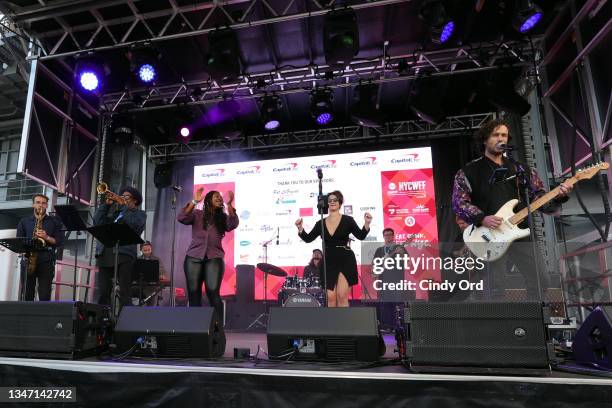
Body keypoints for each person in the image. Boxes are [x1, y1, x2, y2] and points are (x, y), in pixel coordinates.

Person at [452, 118, 572, 300]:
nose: (501, 139)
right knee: (494, 289)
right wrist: (482, 218)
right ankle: (497, 327)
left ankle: (534, 324)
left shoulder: (521, 169)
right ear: (485, 139)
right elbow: (459, 204)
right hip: (488, 236)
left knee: (541, 281)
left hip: (520, 232)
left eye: (504, 135)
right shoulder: (468, 172)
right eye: (496, 135)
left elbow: (540, 199)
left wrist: (560, 195)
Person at [296, 190, 371, 307]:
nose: (332, 202)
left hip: (345, 259)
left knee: (341, 296)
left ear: (340, 203)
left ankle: (343, 325)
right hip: (328, 261)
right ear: (327, 204)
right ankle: (333, 325)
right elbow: (308, 238)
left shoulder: (348, 220)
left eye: (335, 200)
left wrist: (367, 223)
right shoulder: (320, 222)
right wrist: (300, 228)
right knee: (330, 298)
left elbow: (361, 235)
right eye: (329, 200)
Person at [178, 187, 238, 324]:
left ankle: (217, 327)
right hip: (193, 258)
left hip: (214, 258)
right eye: (216, 196)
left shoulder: (223, 218)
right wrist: (194, 201)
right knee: (194, 293)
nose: (219, 198)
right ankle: (196, 326)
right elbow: (182, 217)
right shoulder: (198, 214)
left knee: (212, 291)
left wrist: (229, 206)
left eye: (221, 198)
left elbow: (233, 224)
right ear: (208, 200)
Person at [94, 186, 146, 310]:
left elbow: (134, 225)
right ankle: (104, 320)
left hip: (124, 255)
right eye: (121, 196)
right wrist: (106, 206)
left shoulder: (139, 214)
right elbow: (97, 222)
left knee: (125, 291)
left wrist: (124, 206)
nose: (122, 198)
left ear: (135, 200)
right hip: (105, 254)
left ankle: (126, 322)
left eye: (126, 196)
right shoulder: (115, 214)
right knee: (103, 292)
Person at [16, 194, 64, 301]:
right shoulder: (24, 221)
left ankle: (43, 317)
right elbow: (19, 241)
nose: (40, 205)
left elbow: (59, 241)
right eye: (37, 202)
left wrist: (46, 237)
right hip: (28, 259)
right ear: (33, 204)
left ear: (47, 205)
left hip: (46, 260)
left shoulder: (55, 222)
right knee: (27, 294)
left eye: (43, 203)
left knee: (44, 295)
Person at [372, 228, 409, 328]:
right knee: (384, 303)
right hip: (383, 280)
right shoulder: (379, 250)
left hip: (397, 280)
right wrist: (375, 273)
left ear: (393, 236)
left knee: (397, 303)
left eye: (390, 235)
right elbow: (375, 265)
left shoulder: (400, 248)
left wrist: (401, 253)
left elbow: (407, 261)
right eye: (386, 235)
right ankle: (385, 325)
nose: (388, 236)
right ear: (383, 236)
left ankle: (398, 325)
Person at [132, 241, 168, 306]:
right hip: (138, 285)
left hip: (151, 286)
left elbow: (162, 271)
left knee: (152, 294)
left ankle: (148, 313)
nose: (147, 252)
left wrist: (162, 275)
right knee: (125, 291)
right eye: (145, 250)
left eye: (149, 250)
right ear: (141, 250)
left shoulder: (156, 259)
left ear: (151, 249)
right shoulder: (137, 259)